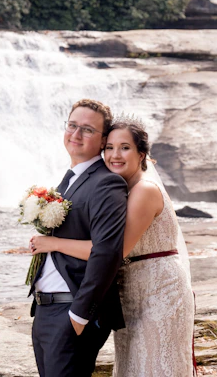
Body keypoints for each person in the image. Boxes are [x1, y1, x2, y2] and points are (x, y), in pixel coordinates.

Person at [30, 116, 195, 377]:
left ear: (142, 154)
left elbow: (113, 251)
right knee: (133, 366)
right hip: (132, 292)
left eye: (125, 147)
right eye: (109, 147)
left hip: (158, 292)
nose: (114, 155)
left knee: (154, 366)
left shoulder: (144, 190)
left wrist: (54, 243)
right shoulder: (122, 188)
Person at [28, 99, 127, 377]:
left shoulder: (107, 183)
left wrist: (80, 315)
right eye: (72, 126)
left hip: (71, 311)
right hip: (46, 310)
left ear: (103, 139)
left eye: (87, 129)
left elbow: (107, 253)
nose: (75, 134)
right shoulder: (70, 179)